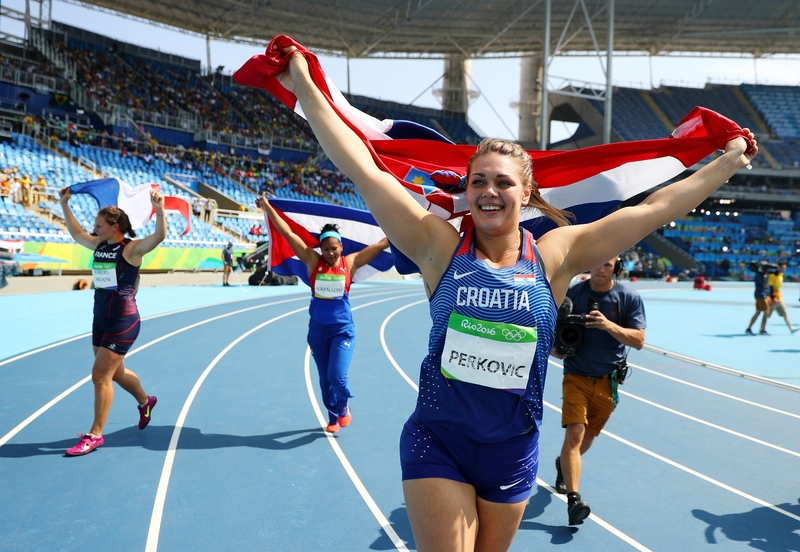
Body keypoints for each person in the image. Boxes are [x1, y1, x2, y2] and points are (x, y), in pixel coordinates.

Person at [275, 46, 757, 550]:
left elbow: (654, 208)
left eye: (502, 182)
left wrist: (725, 164)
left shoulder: (555, 255)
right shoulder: (437, 246)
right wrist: (306, 86)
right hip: (439, 440)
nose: (488, 190)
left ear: (525, 193)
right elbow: (363, 169)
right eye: (477, 180)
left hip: (513, 448)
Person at [256, 193, 389, 433]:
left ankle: (343, 406)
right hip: (318, 331)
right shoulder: (311, 260)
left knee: (337, 377)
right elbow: (288, 233)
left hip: (342, 330)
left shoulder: (350, 263)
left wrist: (399, 223)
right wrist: (267, 208)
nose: (330, 253)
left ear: (341, 247)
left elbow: (380, 244)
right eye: (326, 249)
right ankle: (332, 415)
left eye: (334, 249)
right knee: (324, 380)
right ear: (321, 248)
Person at [58, 186, 167, 456]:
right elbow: (75, 233)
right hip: (100, 319)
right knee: (115, 374)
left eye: (99, 225)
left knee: (100, 377)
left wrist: (160, 209)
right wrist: (64, 204)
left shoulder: (131, 250)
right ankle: (145, 401)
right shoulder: (99, 245)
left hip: (123, 320)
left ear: (115, 226)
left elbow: (159, 236)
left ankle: (95, 435)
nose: (94, 229)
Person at [551, 257, 646, 525]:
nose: (601, 269)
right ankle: (574, 500)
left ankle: (564, 464)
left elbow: (638, 341)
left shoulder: (628, 298)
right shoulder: (574, 293)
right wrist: (555, 348)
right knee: (575, 434)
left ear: (616, 267)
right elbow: (551, 328)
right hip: (576, 376)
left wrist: (607, 325)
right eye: (597, 263)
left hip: (609, 381)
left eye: (608, 264)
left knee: (588, 438)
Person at [767, 262, 798, 333]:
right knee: (767, 315)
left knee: (785, 313)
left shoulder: (781, 275)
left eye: (785, 268)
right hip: (773, 299)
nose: (784, 269)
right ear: (778, 267)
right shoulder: (773, 275)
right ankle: (762, 328)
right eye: (782, 268)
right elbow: (770, 287)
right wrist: (773, 296)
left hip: (779, 299)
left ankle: (791, 327)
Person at [745, 261, 772, 335]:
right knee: (766, 312)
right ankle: (762, 329)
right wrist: (768, 276)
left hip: (763, 295)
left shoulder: (763, 274)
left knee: (758, 312)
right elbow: (764, 285)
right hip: (761, 295)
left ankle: (750, 328)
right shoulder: (760, 275)